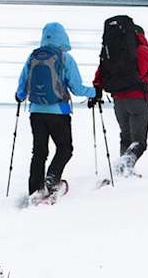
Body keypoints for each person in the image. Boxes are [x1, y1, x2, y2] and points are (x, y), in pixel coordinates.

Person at [14, 22, 97, 199]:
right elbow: (76, 88)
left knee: (39, 152)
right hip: (59, 113)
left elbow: (22, 86)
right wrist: (94, 92)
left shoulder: (33, 57)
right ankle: (52, 180)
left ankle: (35, 190)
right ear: (63, 36)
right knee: (65, 149)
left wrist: (20, 96)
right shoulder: (66, 58)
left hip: (36, 112)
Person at [92, 22, 148, 174]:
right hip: (138, 100)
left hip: (118, 101)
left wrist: (97, 91)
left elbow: (100, 73)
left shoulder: (112, 52)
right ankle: (124, 166)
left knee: (126, 137)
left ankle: (123, 170)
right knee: (139, 142)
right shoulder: (146, 52)